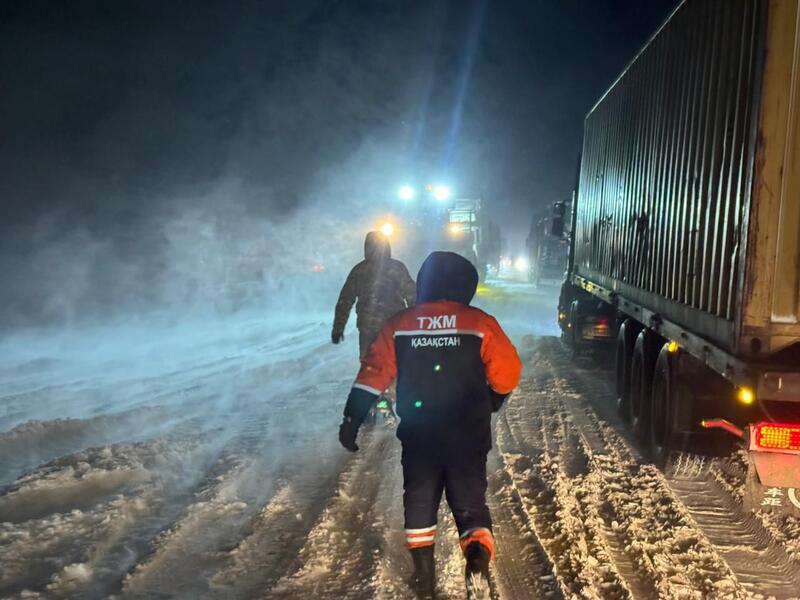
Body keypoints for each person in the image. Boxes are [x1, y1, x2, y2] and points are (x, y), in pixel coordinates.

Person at [337, 251, 522, 600]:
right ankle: (477, 559)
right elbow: (508, 371)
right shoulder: (480, 323)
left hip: (421, 434)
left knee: (420, 500)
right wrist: (494, 398)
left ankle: (424, 579)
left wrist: (352, 418)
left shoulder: (400, 323)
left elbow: (373, 374)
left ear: (424, 283)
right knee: (470, 501)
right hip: (468, 433)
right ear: (466, 284)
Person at [331, 230, 417, 357]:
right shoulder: (397, 268)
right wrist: (417, 324)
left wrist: (338, 327)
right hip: (394, 326)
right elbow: (412, 296)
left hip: (368, 328)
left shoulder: (359, 270)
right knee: (395, 361)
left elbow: (345, 300)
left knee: (370, 363)